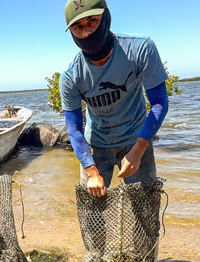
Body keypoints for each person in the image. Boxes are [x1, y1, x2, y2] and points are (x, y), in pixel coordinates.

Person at [60, 0, 169, 197]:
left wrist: (138, 150)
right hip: (96, 144)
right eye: (78, 27)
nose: (86, 33)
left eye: (92, 21)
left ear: (106, 17)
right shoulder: (71, 75)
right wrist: (91, 171)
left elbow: (160, 103)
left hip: (135, 138)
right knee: (93, 212)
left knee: (143, 208)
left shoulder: (140, 49)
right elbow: (74, 129)